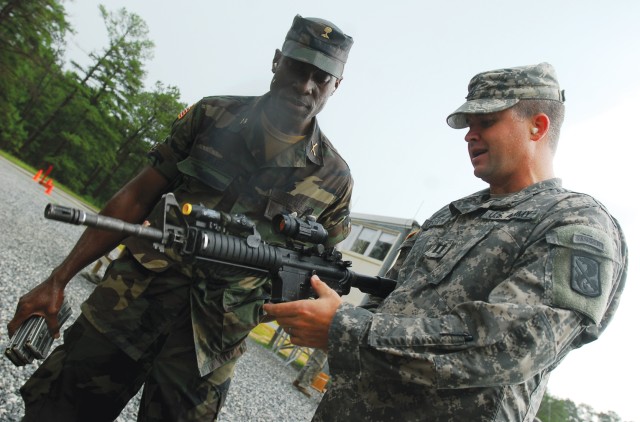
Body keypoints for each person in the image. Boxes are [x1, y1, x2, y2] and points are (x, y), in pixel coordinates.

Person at [7, 15, 354, 421]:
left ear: (336, 85)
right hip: (127, 305)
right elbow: (136, 196)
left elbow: (319, 271)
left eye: (321, 77)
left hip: (210, 344)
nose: (306, 85)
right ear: (278, 60)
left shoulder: (334, 179)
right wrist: (58, 278)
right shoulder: (211, 116)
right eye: (298, 67)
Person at [264, 62, 628, 421]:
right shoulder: (450, 215)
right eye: (469, 126)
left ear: (538, 125)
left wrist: (343, 328)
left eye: (487, 122)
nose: (470, 135)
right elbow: (387, 303)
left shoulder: (576, 223)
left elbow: (512, 344)